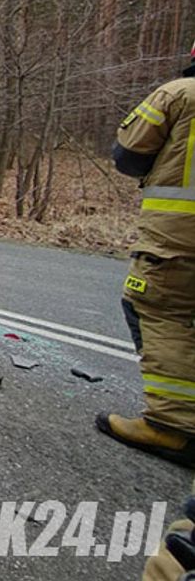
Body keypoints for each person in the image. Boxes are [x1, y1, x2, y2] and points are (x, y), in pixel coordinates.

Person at [97, 41, 195, 466]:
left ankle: (173, 426)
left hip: (179, 239)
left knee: (157, 310)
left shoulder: (179, 94)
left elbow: (129, 155)